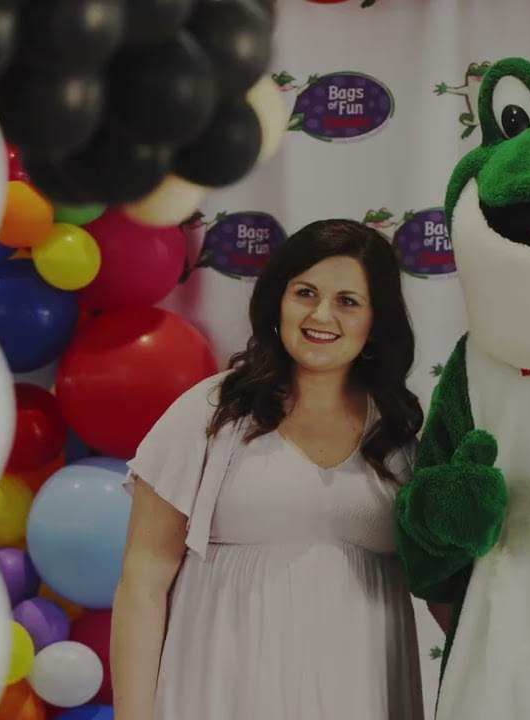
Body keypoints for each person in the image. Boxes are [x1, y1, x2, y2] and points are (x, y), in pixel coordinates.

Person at [110, 218, 433, 720]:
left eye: (348, 301)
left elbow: (447, 587)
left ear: (376, 322)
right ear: (277, 302)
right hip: (216, 696)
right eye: (305, 292)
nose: (321, 314)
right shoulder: (213, 410)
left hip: (362, 694)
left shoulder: (403, 434)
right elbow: (143, 581)